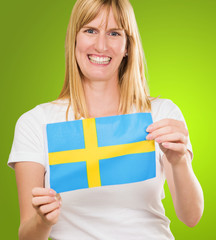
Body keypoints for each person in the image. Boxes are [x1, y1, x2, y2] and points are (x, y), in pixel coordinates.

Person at [8, 0, 204, 239]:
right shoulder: (35, 123)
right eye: (90, 30)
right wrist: (42, 221)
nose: (101, 45)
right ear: (75, 39)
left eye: (114, 33)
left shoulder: (160, 114)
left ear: (128, 46)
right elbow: (27, 235)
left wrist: (179, 161)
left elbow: (191, 217)